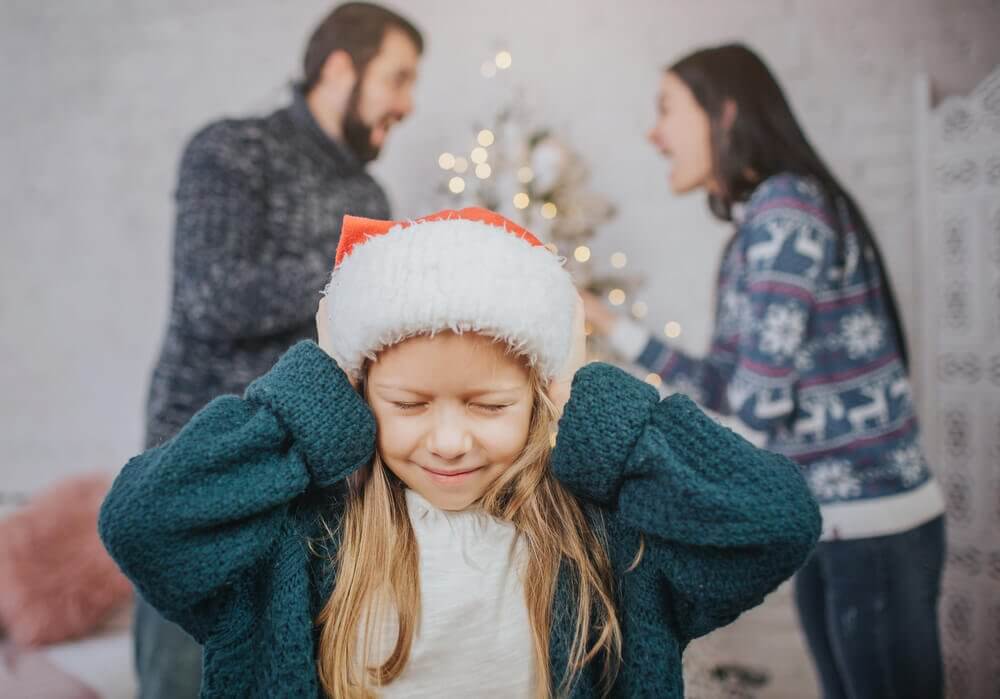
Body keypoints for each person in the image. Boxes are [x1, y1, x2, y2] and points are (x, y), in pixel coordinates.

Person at [100, 207, 821, 698]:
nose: (448, 440)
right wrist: (313, 391)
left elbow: (776, 520)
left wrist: (586, 399)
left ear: (539, 398)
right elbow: (142, 522)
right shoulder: (301, 544)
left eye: (489, 405)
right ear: (355, 398)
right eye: (409, 405)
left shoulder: (606, 543)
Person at [583, 44, 946, 699]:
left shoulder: (785, 215)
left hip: (873, 523)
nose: (653, 132)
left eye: (666, 109)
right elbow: (729, 381)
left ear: (723, 113)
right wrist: (611, 325)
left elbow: (755, 406)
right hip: (834, 520)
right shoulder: (759, 226)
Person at [135, 4, 423, 697]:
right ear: (339, 67)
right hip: (207, 470)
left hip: (315, 486)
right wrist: (354, 266)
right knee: (183, 680)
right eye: (399, 78)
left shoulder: (368, 191)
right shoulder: (231, 148)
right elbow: (211, 298)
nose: (409, 104)